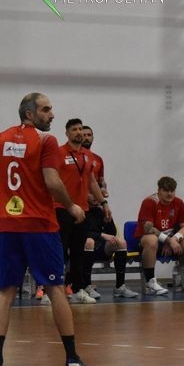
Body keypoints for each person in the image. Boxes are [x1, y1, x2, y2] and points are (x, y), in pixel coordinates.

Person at [0, 92, 90, 366]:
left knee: (5, 292)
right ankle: (72, 360)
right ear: (30, 114)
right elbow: (52, 182)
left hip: (7, 225)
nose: (52, 114)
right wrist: (71, 206)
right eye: (46, 110)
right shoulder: (46, 140)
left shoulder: (1, 139)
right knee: (55, 289)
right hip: (39, 224)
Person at [55, 118, 111, 304]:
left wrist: (104, 203)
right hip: (62, 208)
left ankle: (78, 288)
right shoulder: (59, 153)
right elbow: (53, 181)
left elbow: (92, 181)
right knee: (59, 251)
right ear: (67, 133)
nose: (79, 132)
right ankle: (51, 291)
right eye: (74, 129)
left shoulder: (88, 156)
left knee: (79, 251)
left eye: (80, 129)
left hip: (83, 210)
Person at [134, 176, 184, 295]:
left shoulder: (178, 202)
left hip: (171, 240)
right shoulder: (149, 202)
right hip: (150, 241)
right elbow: (148, 229)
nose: (170, 194)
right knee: (151, 240)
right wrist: (168, 240)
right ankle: (150, 282)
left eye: (172, 190)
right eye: (166, 190)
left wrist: (175, 239)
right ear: (159, 190)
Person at [84, 210, 139, 298]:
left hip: (100, 247)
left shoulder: (101, 211)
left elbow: (112, 233)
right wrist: (101, 235)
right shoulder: (82, 210)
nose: (96, 201)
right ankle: (86, 286)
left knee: (121, 243)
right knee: (89, 242)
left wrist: (108, 222)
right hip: (83, 248)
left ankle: (120, 287)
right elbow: (81, 232)